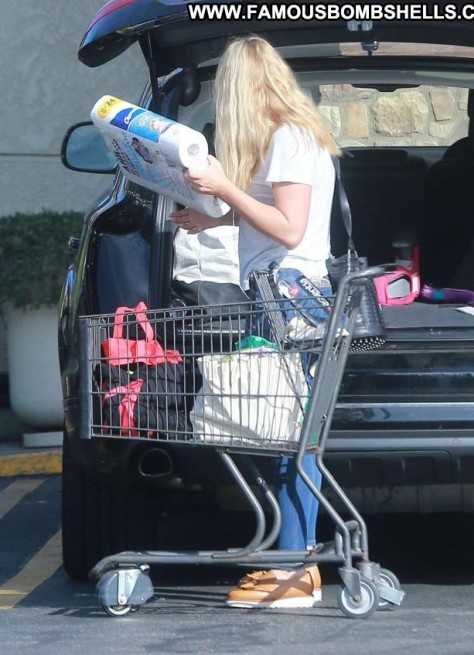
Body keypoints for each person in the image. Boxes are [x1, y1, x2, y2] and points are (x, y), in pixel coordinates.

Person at [169, 35, 340, 609]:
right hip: (280, 295)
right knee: (285, 435)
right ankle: (293, 560)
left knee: (290, 438)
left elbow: (290, 230)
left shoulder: (289, 138)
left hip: (290, 298)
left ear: (240, 88)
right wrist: (213, 218)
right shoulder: (285, 136)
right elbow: (272, 218)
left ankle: (296, 568)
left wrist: (223, 189)